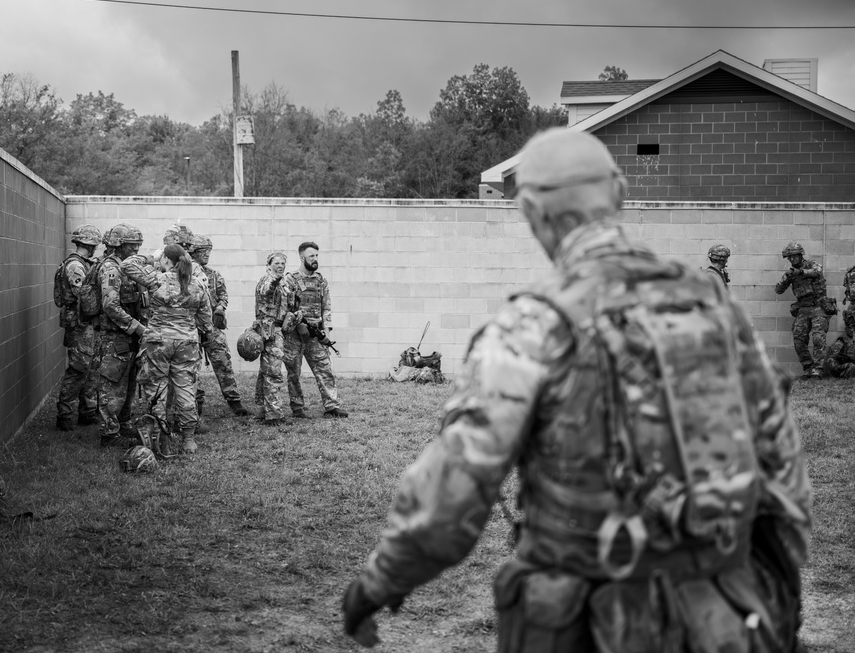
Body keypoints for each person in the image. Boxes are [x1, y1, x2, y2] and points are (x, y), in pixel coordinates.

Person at [342, 128, 810, 653]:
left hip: (587, 620)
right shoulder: (714, 306)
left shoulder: (531, 326)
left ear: (532, 212)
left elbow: (457, 482)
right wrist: (775, 591)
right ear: (618, 193)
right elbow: (781, 465)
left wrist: (381, 580)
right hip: (722, 616)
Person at [122, 244, 214, 455]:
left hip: (158, 341)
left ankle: (161, 438)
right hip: (187, 342)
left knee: (157, 387)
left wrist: (150, 258)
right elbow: (206, 322)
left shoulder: (157, 279)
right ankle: (189, 439)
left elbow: (127, 264)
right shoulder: (198, 284)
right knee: (185, 387)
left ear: (165, 259)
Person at [94, 223, 149, 448]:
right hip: (115, 337)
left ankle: (123, 424)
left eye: (138, 245)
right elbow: (110, 306)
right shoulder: (111, 269)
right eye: (131, 245)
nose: (136, 249)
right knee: (112, 384)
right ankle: (109, 433)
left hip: (129, 336)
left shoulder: (128, 268)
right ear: (118, 245)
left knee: (129, 382)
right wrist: (137, 327)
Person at [282, 242, 348, 418]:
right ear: (302, 257)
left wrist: (326, 330)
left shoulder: (320, 280)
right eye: (311, 256)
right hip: (295, 335)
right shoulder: (290, 279)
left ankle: (332, 406)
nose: (315, 259)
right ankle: (297, 408)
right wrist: (299, 325)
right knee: (293, 373)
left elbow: (326, 307)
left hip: (316, 334)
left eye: (317, 255)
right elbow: (286, 307)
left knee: (325, 369)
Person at [188, 234, 250, 417]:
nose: (206, 255)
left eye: (208, 251)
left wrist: (220, 308)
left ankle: (234, 400)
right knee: (191, 366)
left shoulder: (214, 275)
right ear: (192, 252)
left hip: (212, 327)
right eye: (202, 251)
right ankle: (195, 401)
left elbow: (223, 295)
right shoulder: (184, 274)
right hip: (191, 326)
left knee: (223, 362)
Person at [54, 224, 102, 433]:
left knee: (90, 368)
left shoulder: (83, 263)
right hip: (80, 323)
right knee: (78, 369)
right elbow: (84, 296)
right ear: (89, 244)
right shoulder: (75, 266)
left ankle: (87, 412)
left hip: (86, 322)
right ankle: (65, 415)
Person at [775, 241, 830, 378]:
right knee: (798, 338)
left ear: (801, 255)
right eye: (790, 257)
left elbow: (818, 271)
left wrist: (801, 272)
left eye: (795, 256)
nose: (792, 259)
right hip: (803, 308)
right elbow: (778, 290)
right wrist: (787, 278)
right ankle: (808, 367)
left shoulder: (811, 265)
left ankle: (818, 369)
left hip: (818, 306)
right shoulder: (791, 273)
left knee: (818, 338)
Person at [253, 252, 289, 426]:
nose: (280, 266)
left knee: (265, 370)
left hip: (278, 329)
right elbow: (267, 290)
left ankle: (262, 409)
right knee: (273, 371)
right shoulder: (267, 281)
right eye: (276, 263)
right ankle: (273, 414)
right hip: (270, 331)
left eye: (282, 263)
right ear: (268, 266)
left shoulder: (283, 284)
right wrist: (275, 279)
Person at [824, 309, 855, 378]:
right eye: (849, 328)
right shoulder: (841, 342)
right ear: (845, 329)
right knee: (852, 367)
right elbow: (830, 360)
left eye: (853, 328)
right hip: (843, 369)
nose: (851, 330)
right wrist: (842, 366)